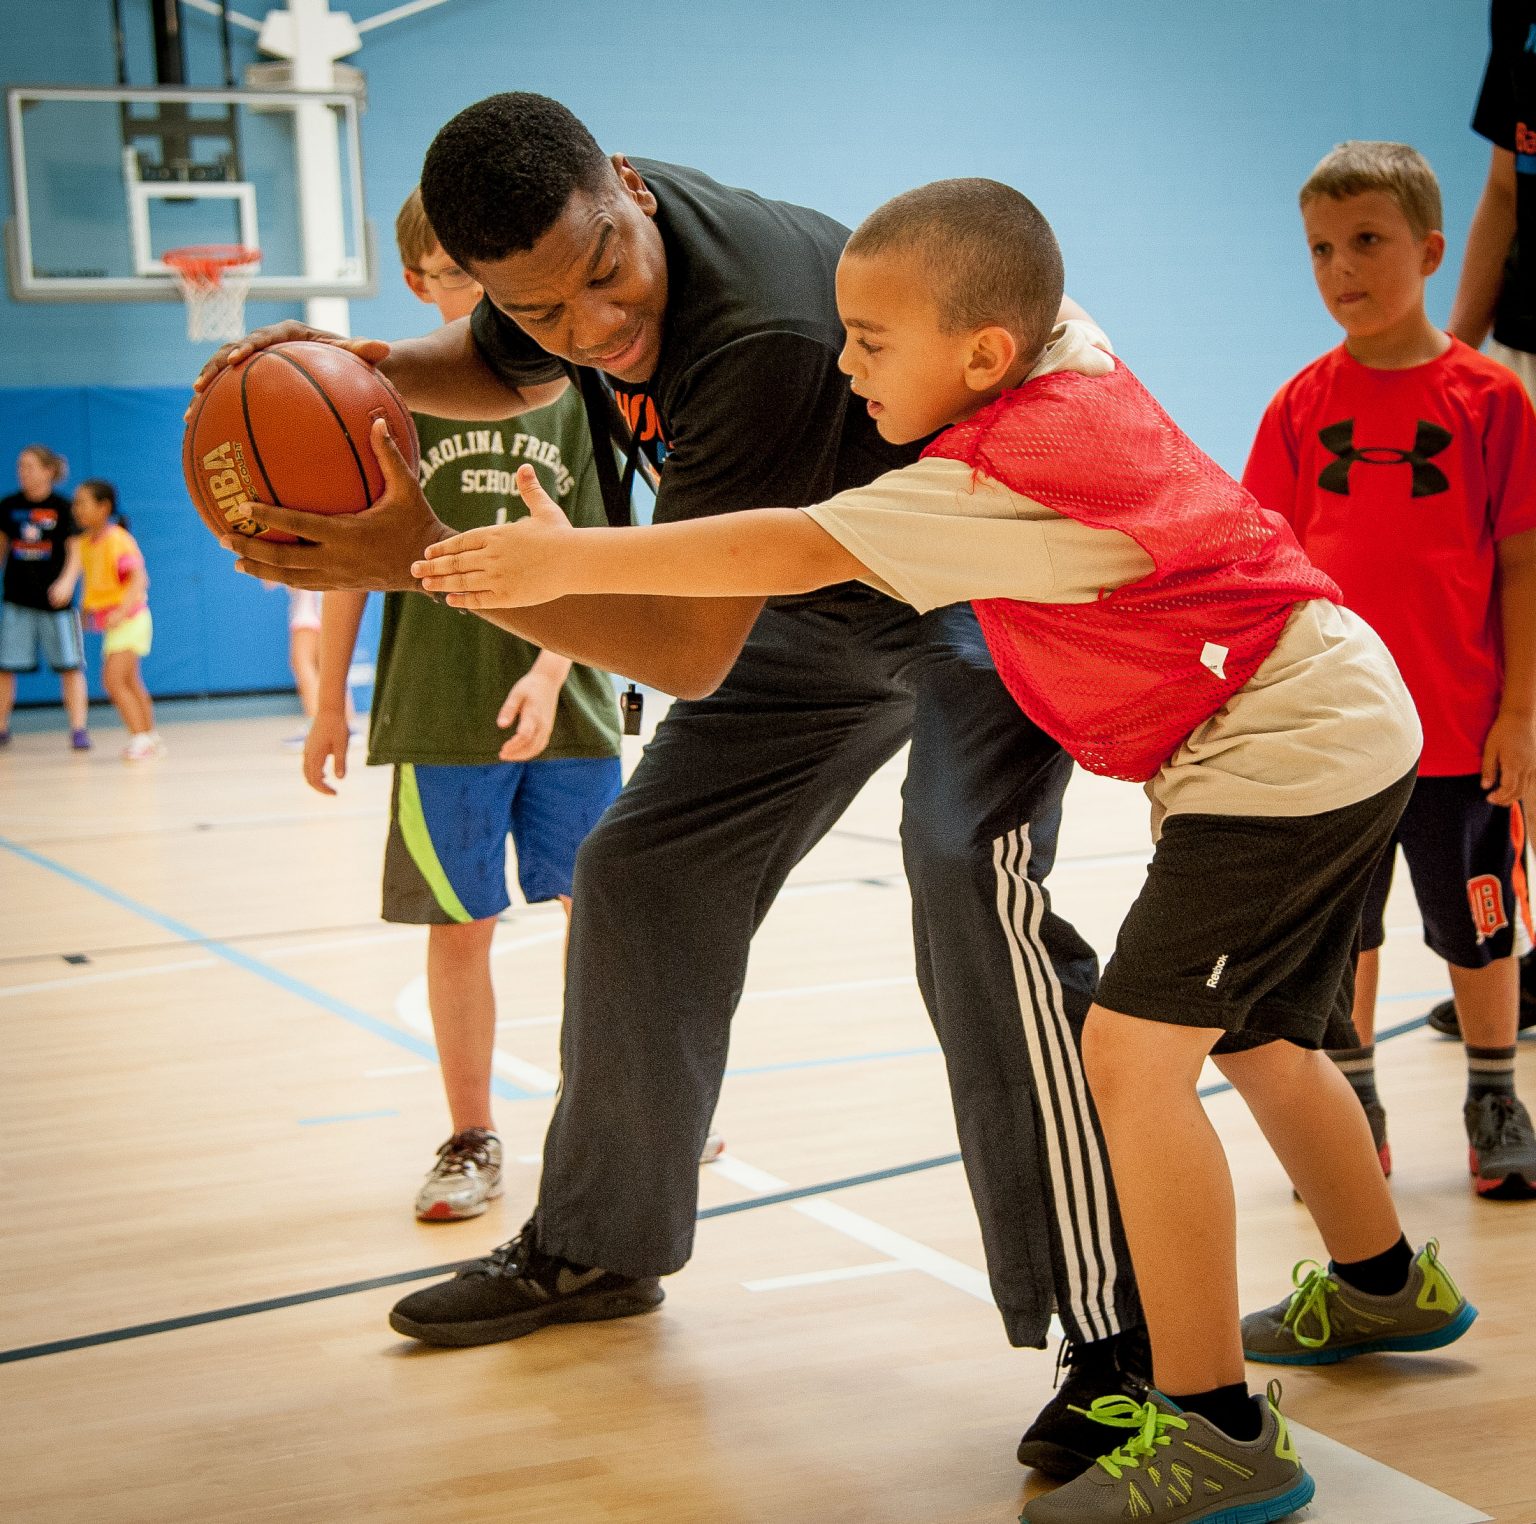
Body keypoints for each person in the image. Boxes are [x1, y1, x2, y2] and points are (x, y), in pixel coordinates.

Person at [411, 176, 1475, 1524]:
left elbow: (794, 545)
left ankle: (1211, 1425)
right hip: (1334, 708)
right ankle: (1384, 1285)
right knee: (1266, 1037)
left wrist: (569, 570)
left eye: (867, 342)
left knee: (1133, 1063)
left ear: (980, 356)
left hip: (1278, 752)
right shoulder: (1061, 354)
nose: (840, 362)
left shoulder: (989, 478)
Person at [191, 93, 1147, 1477]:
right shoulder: (568, 265)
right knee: (645, 873)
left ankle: (1120, 1337)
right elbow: (502, 362)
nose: (587, 328)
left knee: (966, 895)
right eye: (544, 304)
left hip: (975, 595)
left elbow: (684, 652)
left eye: (604, 278)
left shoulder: (758, 330)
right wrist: (352, 368)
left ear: (627, 188)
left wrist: (415, 554)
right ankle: (598, 1246)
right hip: (810, 594)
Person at [303, 188, 625, 1221]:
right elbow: (349, 566)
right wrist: (325, 703)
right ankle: (470, 1136)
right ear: (417, 282)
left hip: (569, 702)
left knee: (603, 916)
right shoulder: (382, 403)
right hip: (437, 706)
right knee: (460, 924)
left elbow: (602, 554)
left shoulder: (575, 392)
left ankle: (620, 1105)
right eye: (454, 274)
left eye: (493, 276)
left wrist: (547, 671)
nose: (478, 295)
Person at [1244, 141, 1536, 1199]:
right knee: (1341, 935)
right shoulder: (1297, 404)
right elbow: (1267, 573)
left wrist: (1522, 714)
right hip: (1340, 741)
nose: (1341, 269)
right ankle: (1353, 1101)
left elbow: (1521, 568)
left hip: (1462, 735)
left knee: (1481, 923)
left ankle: (1495, 1094)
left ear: (1430, 249)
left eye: (1366, 241)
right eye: (1322, 248)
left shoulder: (1490, 401)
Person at [1444, 0, 1536, 1041]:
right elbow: (1506, 191)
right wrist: (1451, 365)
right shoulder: (1515, 18)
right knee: (1520, 662)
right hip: (1521, 350)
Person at [0, 445, 89, 750]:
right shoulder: (9, 505)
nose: (23, 472)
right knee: (5, 667)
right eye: (20, 466)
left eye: (29, 466)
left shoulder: (65, 508)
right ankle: (1, 727)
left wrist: (67, 581)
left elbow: (77, 552)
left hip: (56, 604)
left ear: (49, 470)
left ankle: (78, 729)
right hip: (16, 599)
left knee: (70, 666)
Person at [72, 479, 162, 760]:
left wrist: (122, 611)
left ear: (104, 507)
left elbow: (138, 579)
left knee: (112, 681)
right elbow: (93, 581)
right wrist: (87, 610)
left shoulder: (117, 539)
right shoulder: (85, 543)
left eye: (83, 502)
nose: (77, 509)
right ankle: (150, 736)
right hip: (115, 622)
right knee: (131, 681)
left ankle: (139, 738)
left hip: (132, 618)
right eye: (75, 503)